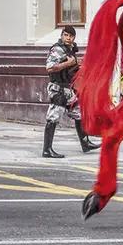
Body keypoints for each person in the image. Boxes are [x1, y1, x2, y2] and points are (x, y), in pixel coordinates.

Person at [42, 26, 100, 158]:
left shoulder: (70, 50)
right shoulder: (57, 49)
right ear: (62, 35)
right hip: (58, 89)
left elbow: (69, 69)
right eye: (66, 35)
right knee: (53, 117)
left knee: (79, 113)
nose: (68, 38)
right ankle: (47, 150)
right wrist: (68, 64)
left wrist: (75, 66)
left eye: (71, 36)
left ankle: (85, 143)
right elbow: (50, 68)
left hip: (68, 89)